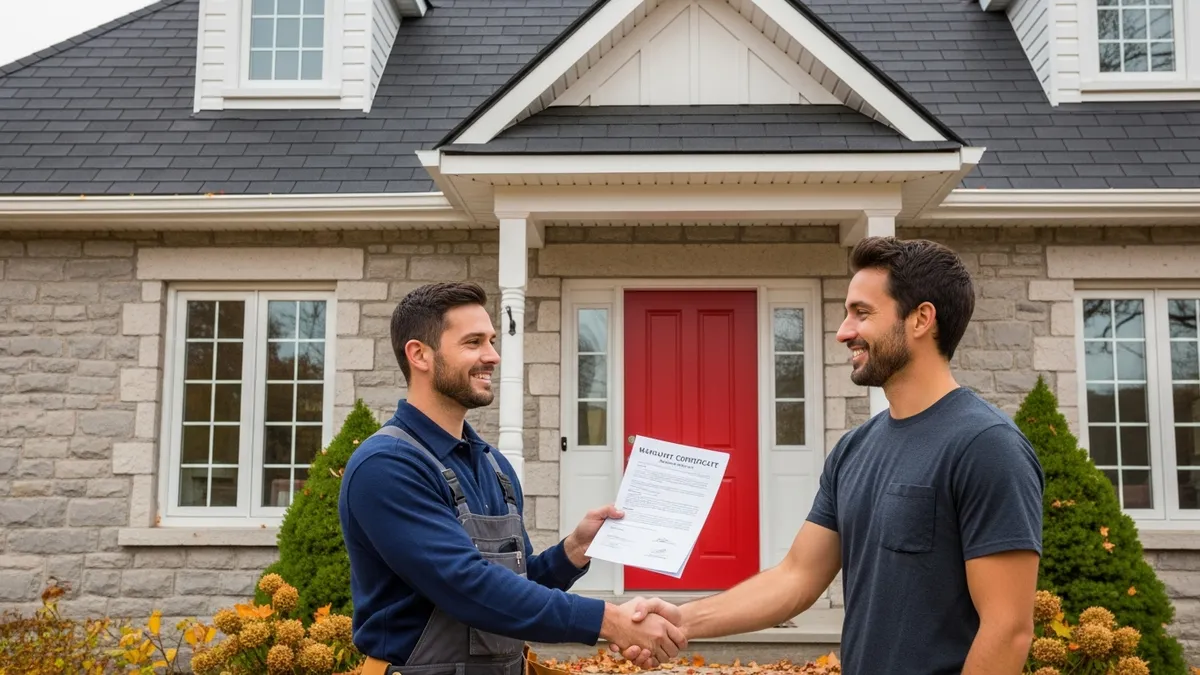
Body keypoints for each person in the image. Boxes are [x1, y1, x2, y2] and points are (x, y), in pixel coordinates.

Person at [620, 236, 1045, 675]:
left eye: (862, 313)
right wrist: (679, 619)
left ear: (921, 319)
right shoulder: (854, 449)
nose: (844, 331)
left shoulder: (987, 447)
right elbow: (796, 577)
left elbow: (1008, 628)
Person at [338, 282, 686, 675]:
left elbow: (512, 587)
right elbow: (467, 586)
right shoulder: (387, 466)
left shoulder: (494, 466)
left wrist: (572, 552)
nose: (493, 356)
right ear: (420, 354)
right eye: (473, 342)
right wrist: (609, 620)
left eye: (491, 340)